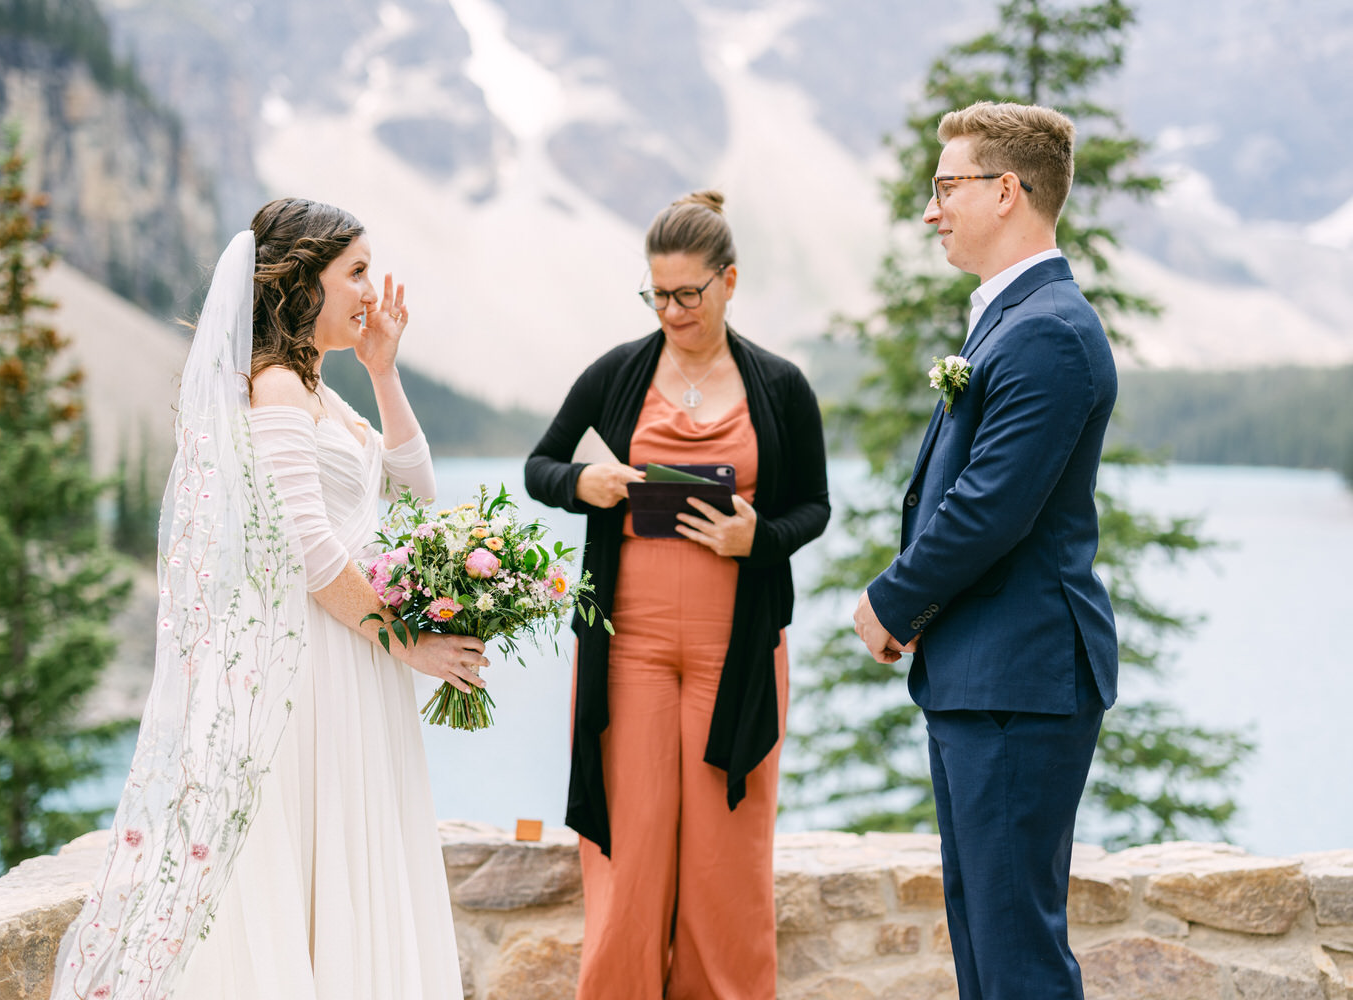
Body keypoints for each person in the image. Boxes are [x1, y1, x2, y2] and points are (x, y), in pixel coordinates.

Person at [50, 198, 487, 1000]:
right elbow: (310, 553)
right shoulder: (277, 387)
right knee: (319, 862)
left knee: (353, 860)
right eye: (354, 271)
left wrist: (385, 372)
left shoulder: (326, 390)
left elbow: (419, 494)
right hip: (314, 668)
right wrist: (412, 644)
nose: (371, 289)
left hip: (356, 658)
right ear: (302, 282)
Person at [525, 190, 830, 999]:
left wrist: (754, 538)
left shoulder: (781, 385)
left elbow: (815, 508)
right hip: (630, 652)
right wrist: (585, 482)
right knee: (632, 857)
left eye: (687, 294)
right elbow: (539, 467)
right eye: (656, 295)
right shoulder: (620, 374)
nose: (671, 310)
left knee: (725, 868)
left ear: (729, 282)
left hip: (737, 658)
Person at [852, 102, 1119, 1000]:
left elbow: (989, 509)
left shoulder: (1048, 328)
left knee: (1015, 957)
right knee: (984, 939)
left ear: (1006, 191)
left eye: (946, 187)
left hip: (1021, 678)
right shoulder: (1014, 319)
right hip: (987, 675)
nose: (932, 210)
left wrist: (892, 603)